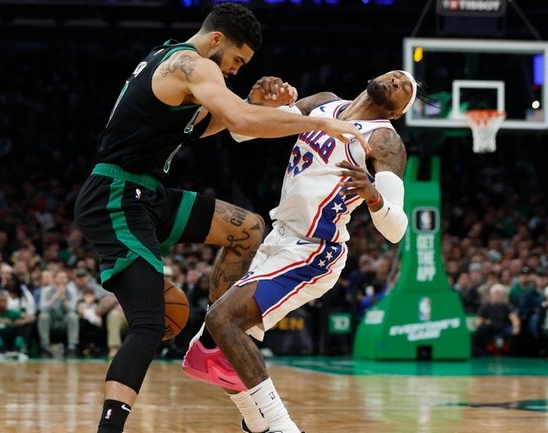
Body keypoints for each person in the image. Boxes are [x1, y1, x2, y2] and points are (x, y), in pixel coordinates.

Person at [73, 3, 368, 433]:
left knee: (247, 229)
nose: (234, 71)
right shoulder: (191, 65)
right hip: (117, 195)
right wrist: (314, 123)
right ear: (216, 40)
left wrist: (251, 101)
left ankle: (215, 340)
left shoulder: (171, 59)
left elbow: (204, 125)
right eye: (237, 61)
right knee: (150, 323)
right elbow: (240, 121)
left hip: (147, 192)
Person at [183, 70, 419, 433]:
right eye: (395, 76)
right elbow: (243, 131)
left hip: (315, 250)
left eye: (405, 88)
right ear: (375, 76)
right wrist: (257, 104)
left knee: (222, 320)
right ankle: (256, 422)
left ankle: (279, 426)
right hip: (278, 238)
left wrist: (373, 197)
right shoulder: (322, 103)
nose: (397, 82)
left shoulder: (384, 138)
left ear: (400, 111)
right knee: (216, 343)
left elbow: (396, 229)